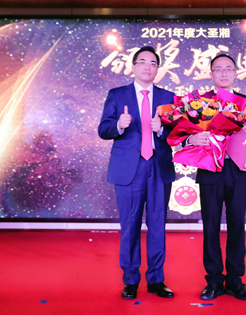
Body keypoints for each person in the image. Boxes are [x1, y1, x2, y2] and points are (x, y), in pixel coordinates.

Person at [98, 46, 176, 300]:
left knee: (157, 224)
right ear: (133, 66)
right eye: (142, 62)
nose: (147, 66)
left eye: (153, 63)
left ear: (157, 69)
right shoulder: (117, 94)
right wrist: (118, 125)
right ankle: (131, 280)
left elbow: (178, 134)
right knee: (130, 224)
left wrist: (161, 130)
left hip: (158, 166)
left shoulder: (168, 97)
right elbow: (103, 129)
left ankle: (156, 280)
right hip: (128, 169)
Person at [186, 53, 246, 301]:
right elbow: (184, 134)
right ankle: (214, 281)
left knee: (237, 225)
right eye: (218, 69)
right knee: (210, 225)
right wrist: (191, 139)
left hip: (238, 171)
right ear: (211, 74)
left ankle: (235, 281)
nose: (224, 73)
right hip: (210, 170)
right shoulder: (199, 103)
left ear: (235, 73)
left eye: (228, 68)